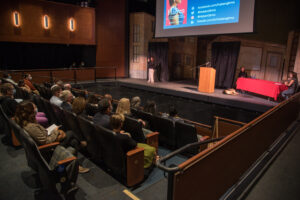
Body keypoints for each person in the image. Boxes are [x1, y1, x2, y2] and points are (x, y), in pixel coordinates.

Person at [14, 101, 89, 173]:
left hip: (47, 142)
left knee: (73, 141)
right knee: (70, 133)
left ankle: (77, 165)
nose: (36, 108)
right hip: (49, 149)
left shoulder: (26, 122)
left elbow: (41, 136)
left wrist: (53, 131)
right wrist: (56, 132)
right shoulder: (31, 127)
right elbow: (46, 142)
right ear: (30, 112)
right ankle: (81, 145)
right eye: (34, 108)